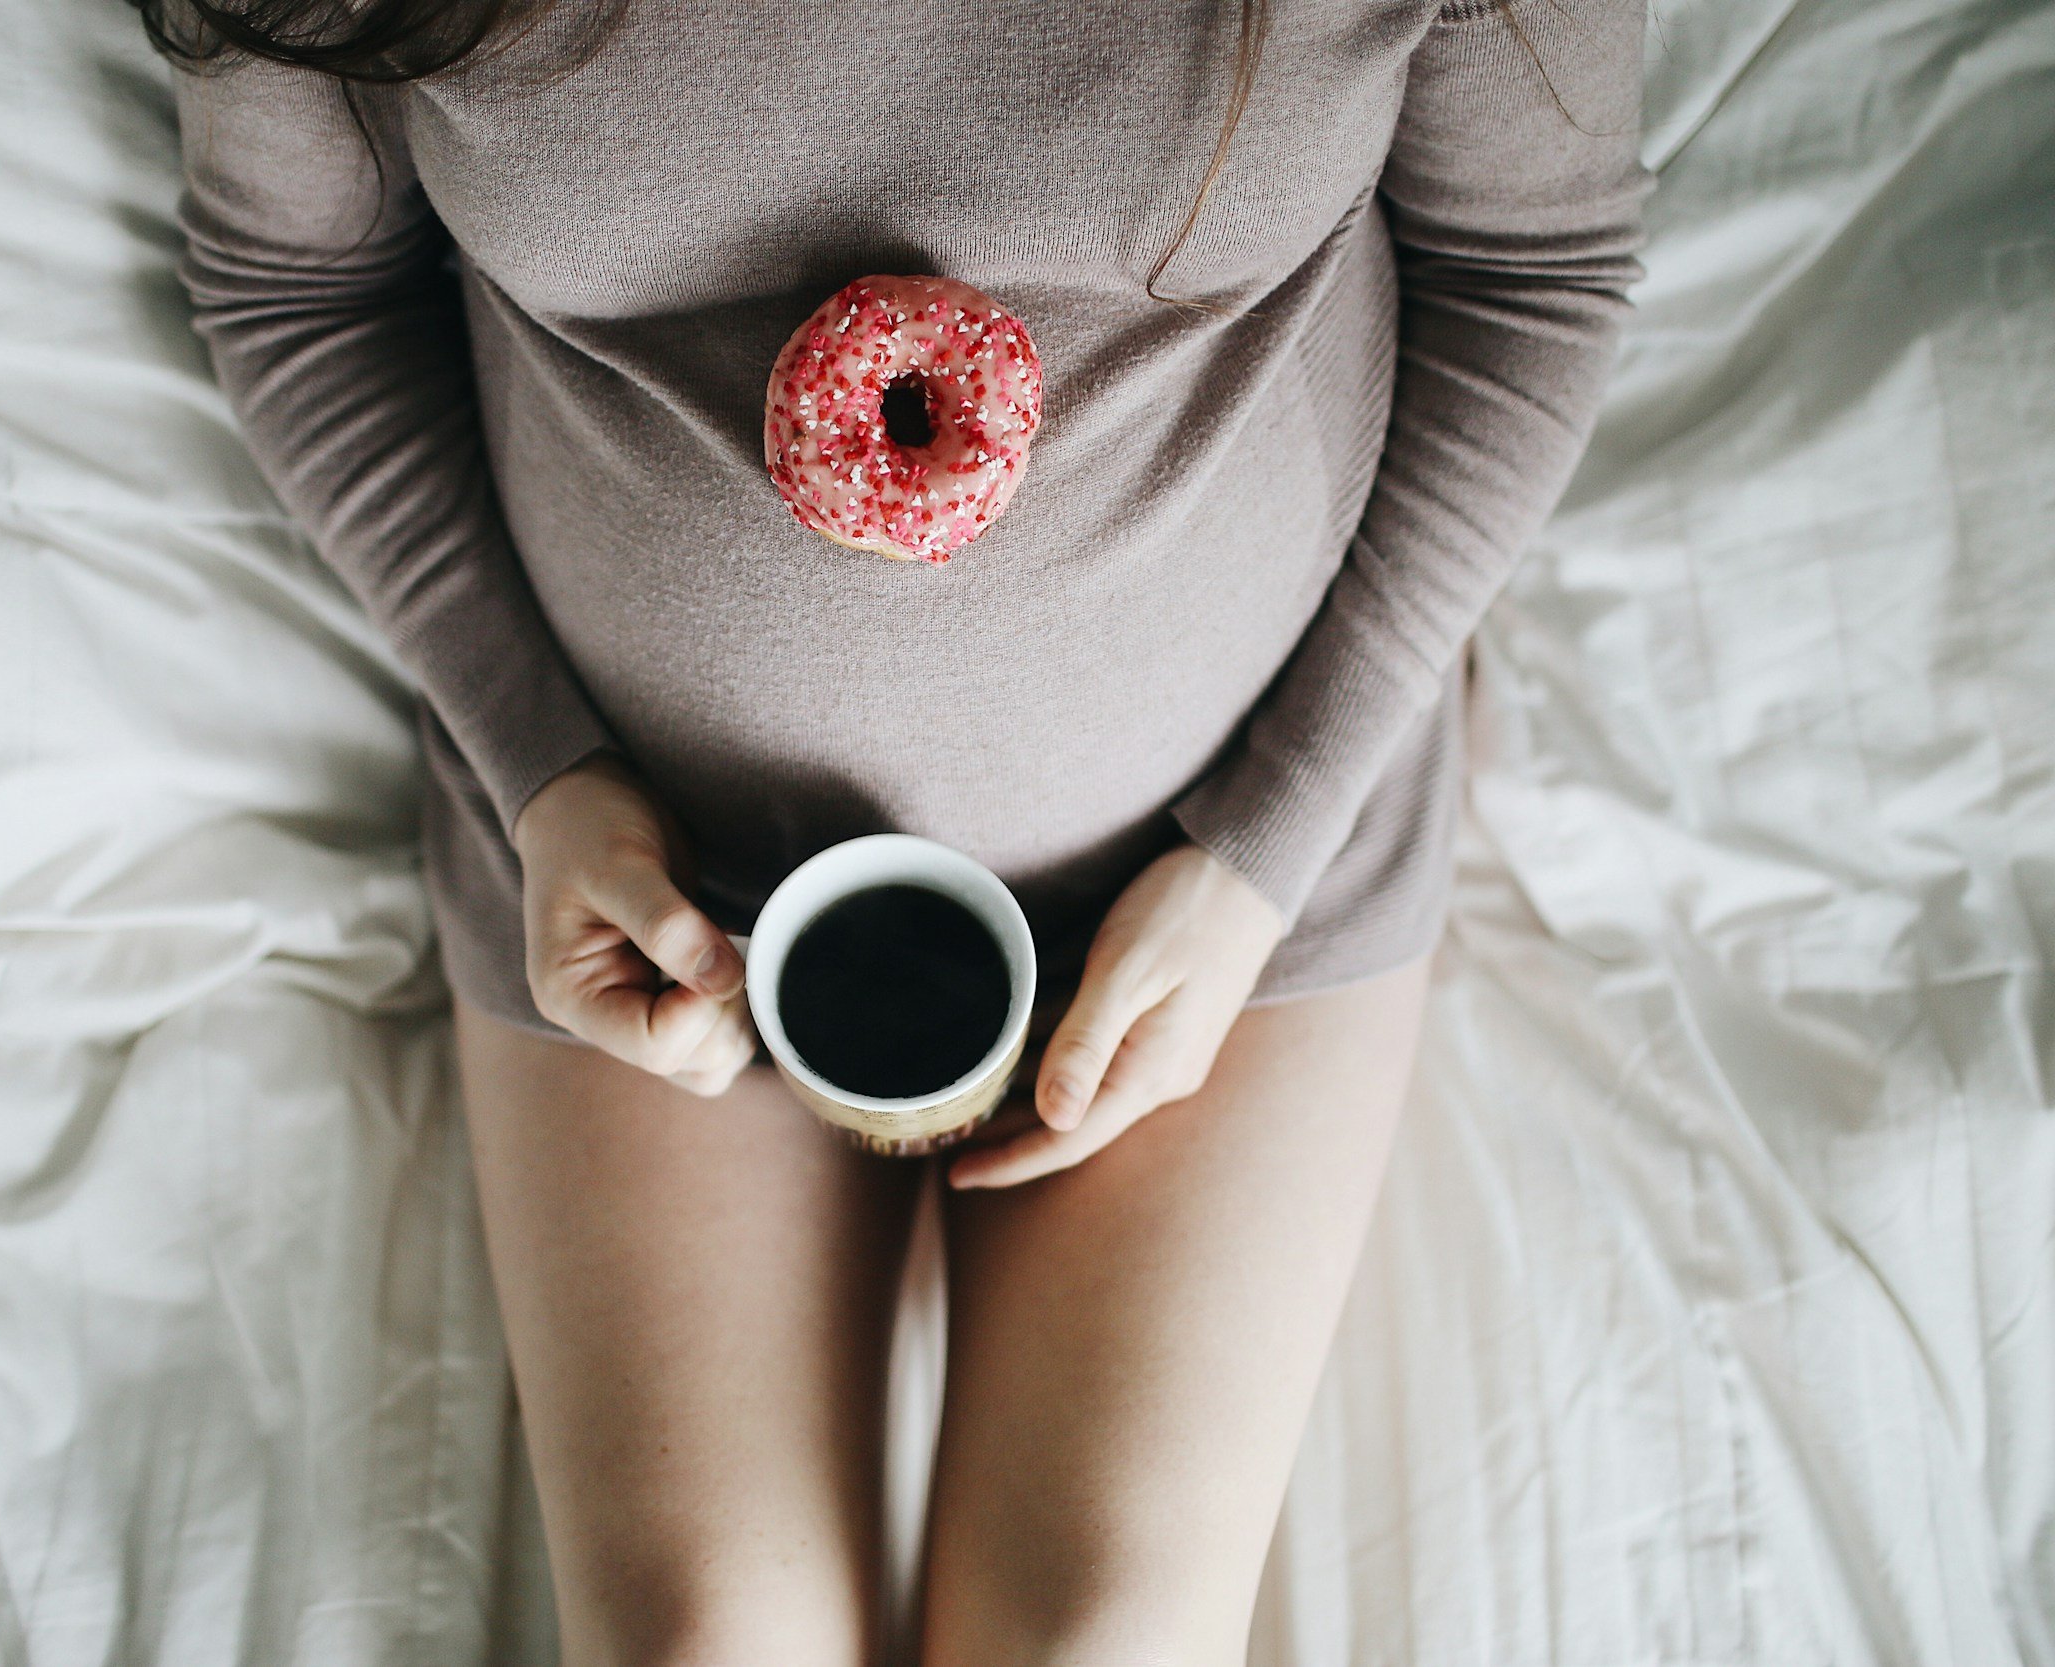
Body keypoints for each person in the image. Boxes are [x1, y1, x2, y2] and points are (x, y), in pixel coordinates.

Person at [155, 0, 1646, 1655]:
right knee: (700, 1641)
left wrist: (1264, 851)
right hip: (647, 886)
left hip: (1226, 862)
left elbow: (1538, 269)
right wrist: (540, 770)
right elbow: (294, 286)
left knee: (1100, 1638)